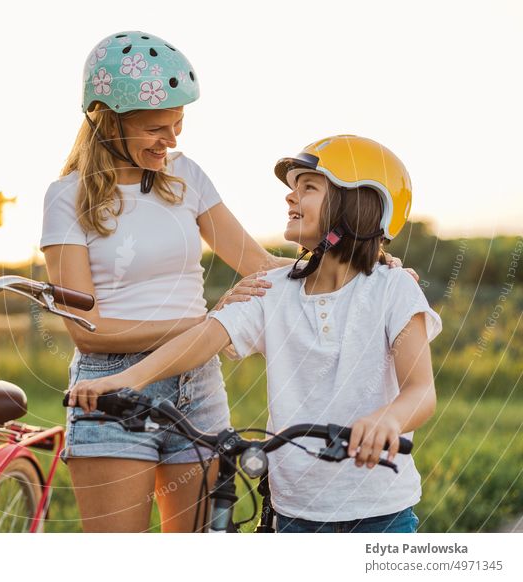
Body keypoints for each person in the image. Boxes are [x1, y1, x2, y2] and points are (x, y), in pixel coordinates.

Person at [68, 135, 441, 533]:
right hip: (296, 514)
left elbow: (420, 390)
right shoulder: (274, 289)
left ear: (361, 205)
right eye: (292, 187)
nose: (290, 197)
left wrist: (389, 419)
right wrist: (127, 379)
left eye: (309, 187)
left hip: (381, 512)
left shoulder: (393, 288)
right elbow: (205, 339)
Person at [40, 31, 287, 533]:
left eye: (177, 125)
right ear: (107, 120)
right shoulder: (66, 198)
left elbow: (260, 265)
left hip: (197, 387)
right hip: (108, 387)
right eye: (157, 127)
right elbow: (87, 330)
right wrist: (203, 326)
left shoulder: (186, 177)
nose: (171, 140)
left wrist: (360, 262)